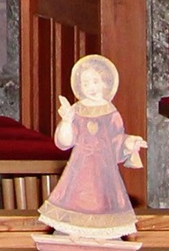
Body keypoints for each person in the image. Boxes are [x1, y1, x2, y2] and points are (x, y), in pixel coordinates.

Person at [37, 53, 147, 240]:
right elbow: (65, 142)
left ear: (104, 83)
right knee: (77, 198)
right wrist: (66, 121)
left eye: (95, 81)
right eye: (86, 83)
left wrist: (130, 142)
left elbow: (117, 140)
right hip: (80, 167)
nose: (92, 87)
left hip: (104, 168)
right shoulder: (77, 111)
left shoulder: (111, 112)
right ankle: (76, 230)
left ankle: (100, 234)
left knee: (102, 199)